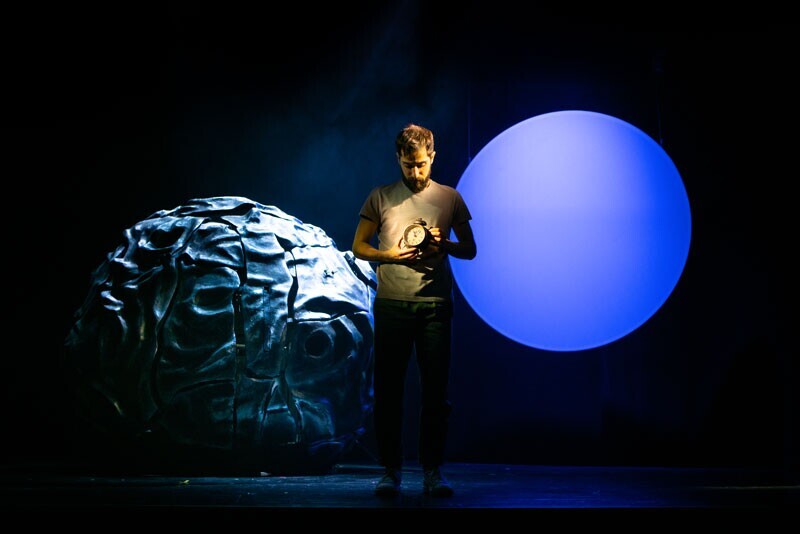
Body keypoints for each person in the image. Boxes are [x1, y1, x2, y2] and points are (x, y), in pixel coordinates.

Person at [352, 123, 477, 497]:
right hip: (392, 304)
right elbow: (359, 246)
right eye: (408, 165)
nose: (416, 172)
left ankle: (432, 471)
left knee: (435, 394)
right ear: (398, 159)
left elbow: (470, 249)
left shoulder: (450, 198)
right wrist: (388, 255)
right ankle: (390, 470)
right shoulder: (381, 196)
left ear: (432, 156)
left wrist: (444, 244)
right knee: (388, 391)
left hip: (435, 306)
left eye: (421, 164)